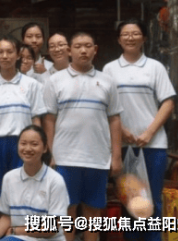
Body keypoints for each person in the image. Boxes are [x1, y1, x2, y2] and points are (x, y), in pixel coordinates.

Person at [43, 32, 122, 241]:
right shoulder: (55, 81)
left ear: (95, 50)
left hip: (98, 158)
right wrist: (51, 153)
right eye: (78, 46)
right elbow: (49, 119)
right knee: (67, 211)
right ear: (69, 50)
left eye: (88, 46)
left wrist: (116, 156)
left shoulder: (107, 81)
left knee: (93, 212)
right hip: (65, 158)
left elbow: (115, 119)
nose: (83, 50)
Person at [103, 19, 175, 241]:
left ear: (144, 38)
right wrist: (122, 131)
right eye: (125, 34)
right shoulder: (110, 69)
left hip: (153, 145)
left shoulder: (155, 67)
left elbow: (168, 102)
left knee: (152, 200)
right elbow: (105, 106)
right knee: (130, 200)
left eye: (135, 34)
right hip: (123, 145)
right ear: (118, 39)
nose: (130, 38)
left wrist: (149, 133)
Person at [0, 37, 46, 202]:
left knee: (24, 190)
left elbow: (36, 119)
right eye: (0, 52)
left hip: (23, 144)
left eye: (9, 52)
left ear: (18, 55)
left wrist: (39, 149)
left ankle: (20, 220)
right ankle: (1, 220)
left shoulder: (31, 84)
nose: (5, 56)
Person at [0, 125, 69, 241]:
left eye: (34, 144)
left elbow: (52, 226)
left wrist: (16, 231)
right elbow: (7, 217)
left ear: (45, 148)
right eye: (23, 143)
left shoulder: (55, 181)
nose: (28, 148)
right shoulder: (9, 178)